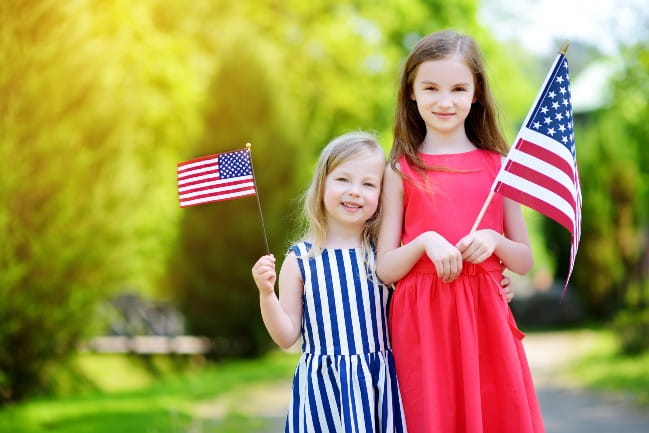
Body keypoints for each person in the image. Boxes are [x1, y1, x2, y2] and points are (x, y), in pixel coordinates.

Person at [376, 30, 545, 433]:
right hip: (422, 324)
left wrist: (494, 240)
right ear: (412, 93)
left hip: (485, 317)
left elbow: (523, 261)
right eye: (431, 87)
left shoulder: (500, 166)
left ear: (476, 94)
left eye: (458, 88)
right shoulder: (400, 171)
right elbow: (385, 268)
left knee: (493, 414)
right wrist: (424, 242)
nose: (445, 101)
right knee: (432, 417)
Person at [251, 131, 408, 433]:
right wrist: (266, 293)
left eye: (368, 184)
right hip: (323, 391)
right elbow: (286, 336)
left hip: (378, 384)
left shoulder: (385, 254)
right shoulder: (300, 260)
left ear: (381, 194)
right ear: (322, 185)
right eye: (343, 179)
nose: (355, 191)